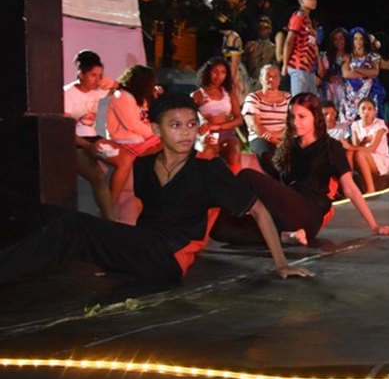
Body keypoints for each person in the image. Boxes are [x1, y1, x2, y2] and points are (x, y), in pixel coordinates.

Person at [0, 93, 312, 285]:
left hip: (168, 259)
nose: (186, 133)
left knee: (71, 227)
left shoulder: (208, 171)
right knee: (45, 214)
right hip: (145, 249)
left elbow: (258, 210)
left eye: (191, 125)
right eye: (176, 126)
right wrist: (118, 254)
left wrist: (281, 264)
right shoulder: (143, 166)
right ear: (156, 129)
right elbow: (148, 219)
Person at [211, 92, 389, 247]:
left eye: (302, 117)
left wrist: (374, 226)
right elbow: (278, 182)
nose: (296, 122)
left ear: (315, 117)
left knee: (246, 175)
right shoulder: (289, 146)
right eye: (292, 117)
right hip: (286, 211)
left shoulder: (331, 147)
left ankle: (285, 232)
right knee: (219, 230)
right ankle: (285, 237)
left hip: (308, 212)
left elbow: (350, 189)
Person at [104, 64, 164, 222]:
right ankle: (111, 202)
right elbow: (133, 125)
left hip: (141, 138)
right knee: (167, 143)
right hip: (125, 140)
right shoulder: (122, 96)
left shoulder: (140, 98)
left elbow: (148, 120)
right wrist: (157, 132)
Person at [64, 49, 115, 219]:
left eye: (100, 76)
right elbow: (64, 130)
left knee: (126, 160)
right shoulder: (68, 94)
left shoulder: (97, 90)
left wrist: (113, 84)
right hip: (75, 142)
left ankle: (113, 208)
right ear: (81, 74)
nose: (98, 80)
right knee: (98, 176)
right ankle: (109, 219)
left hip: (93, 138)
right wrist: (88, 146)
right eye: (93, 75)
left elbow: (121, 89)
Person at [242, 64, 290, 172]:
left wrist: (280, 136)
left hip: (284, 137)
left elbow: (292, 123)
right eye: (268, 76)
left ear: (279, 79)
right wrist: (271, 137)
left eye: (275, 76)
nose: (271, 79)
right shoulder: (253, 98)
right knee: (268, 154)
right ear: (261, 79)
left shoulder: (288, 98)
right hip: (261, 138)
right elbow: (254, 124)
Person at [280, 0, 319, 96]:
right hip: (298, 65)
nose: (314, 1)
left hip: (309, 69)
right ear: (301, 1)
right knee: (299, 100)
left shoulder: (309, 21)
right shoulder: (298, 17)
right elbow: (289, 41)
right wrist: (285, 64)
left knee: (311, 100)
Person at [348, 97, 389, 193]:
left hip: (378, 158)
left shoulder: (379, 124)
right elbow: (355, 146)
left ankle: (370, 188)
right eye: (363, 109)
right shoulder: (355, 125)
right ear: (358, 111)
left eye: (370, 109)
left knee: (359, 154)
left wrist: (352, 147)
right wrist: (364, 141)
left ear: (375, 112)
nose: (366, 112)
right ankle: (349, 185)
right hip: (363, 155)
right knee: (351, 153)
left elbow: (373, 148)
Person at [242, 15, 277, 91]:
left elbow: (276, 67)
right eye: (260, 28)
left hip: (267, 83)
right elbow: (242, 64)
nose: (262, 30)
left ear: (270, 30)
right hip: (250, 82)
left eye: (265, 28)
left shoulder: (274, 48)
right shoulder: (250, 45)